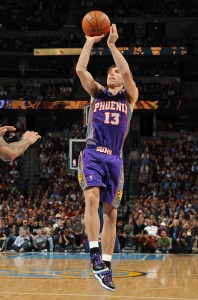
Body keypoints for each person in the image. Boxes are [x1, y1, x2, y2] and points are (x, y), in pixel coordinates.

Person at [76, 24, 138, 291]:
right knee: (91, 197)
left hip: (115, 158)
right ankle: (93, 254)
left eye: (116, 72)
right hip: (92, 153)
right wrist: (90, 41)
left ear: (122, 80)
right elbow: (81, 70)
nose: (113, 73)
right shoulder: (97, 94)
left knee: (111, 214)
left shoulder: (129, 97)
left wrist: (113, 45)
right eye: (110, 72)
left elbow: (125, 70)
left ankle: (107, 266)